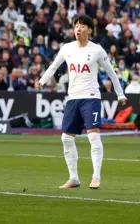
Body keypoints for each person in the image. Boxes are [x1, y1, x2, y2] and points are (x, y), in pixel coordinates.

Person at [35, 14, 126, 190]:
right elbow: (54, 66)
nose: (78, 28)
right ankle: (74, 178)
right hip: (73, 98)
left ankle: (96, 177)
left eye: (82, 26)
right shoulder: (67, 48)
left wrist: (119, 94)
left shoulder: (97, 50)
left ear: (89, 30)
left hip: (91, 97)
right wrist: (42, 81)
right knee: (66, 138)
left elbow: (111, 73)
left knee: (93, 135)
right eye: (76, 25)